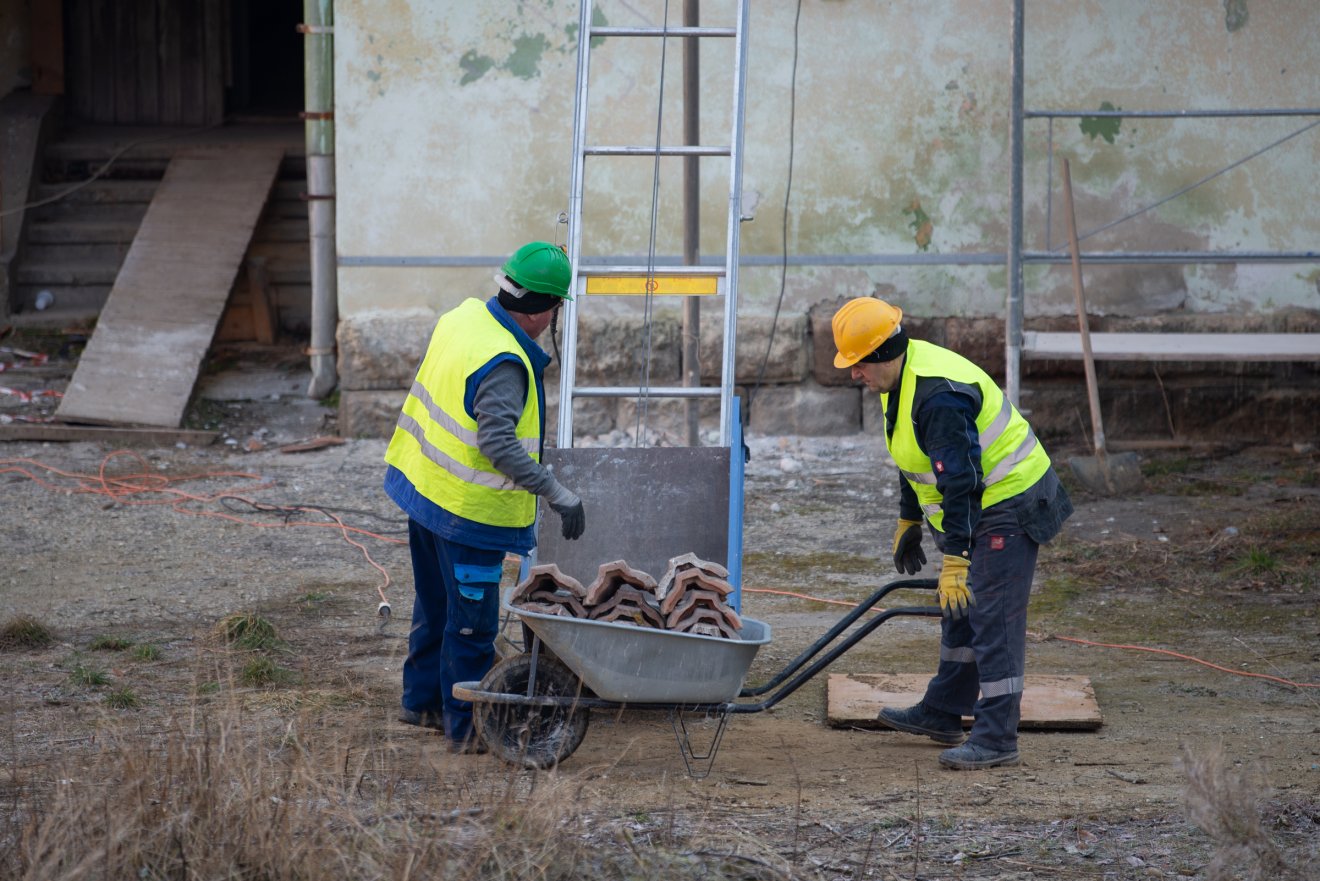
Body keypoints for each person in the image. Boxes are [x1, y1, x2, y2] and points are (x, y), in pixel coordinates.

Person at [831, 296, 1073, 770]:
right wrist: (909, 519)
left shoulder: (937, 396)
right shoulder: (897, 379)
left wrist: (956, 560)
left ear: (883, 353)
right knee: (960, 609)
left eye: (858, 363)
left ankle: (996, 738)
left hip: (1011, 499)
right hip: (979, 502)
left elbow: (961, 481)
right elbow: (913, 454)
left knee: (991, 615)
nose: (853, 374)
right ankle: (944, 710)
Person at [383, 241, 586, 753]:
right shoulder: (505, 362)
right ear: (541, 311)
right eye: (556, 309)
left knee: (434, 605)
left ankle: (421, 702)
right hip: (468, 515)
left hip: (426, 492)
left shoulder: (464, 318)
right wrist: (557, 492)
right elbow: (498, 444)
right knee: (471, 626)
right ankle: (466, 728)